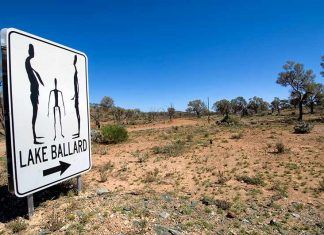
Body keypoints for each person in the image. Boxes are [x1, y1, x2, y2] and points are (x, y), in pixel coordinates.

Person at [25, 44, 44, 144]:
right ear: (29, 52)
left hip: (35, 94)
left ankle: (35, 135)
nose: (33, 53)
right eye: (31, 51)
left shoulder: (31, 66)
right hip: (33, 94)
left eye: (33, 51)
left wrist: (40, 80)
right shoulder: (27, 62)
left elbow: (35, 72)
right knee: (34, 114)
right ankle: (34, 137)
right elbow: (31, 71)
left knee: (35, 113)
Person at [71, 55, 80, 139]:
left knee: (77, 113)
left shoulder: (75, 73)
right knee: (76, 112)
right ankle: (78, 132)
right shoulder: (74, 72)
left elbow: (77, 86)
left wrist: (76, 95)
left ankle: (79, 132)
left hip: (77, 97)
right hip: (76, 96)